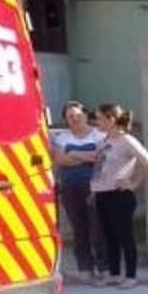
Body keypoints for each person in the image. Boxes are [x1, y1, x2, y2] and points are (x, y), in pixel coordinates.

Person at [89, 105, 148, 289]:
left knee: (124, 236)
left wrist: (134, 183)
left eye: (100, 118)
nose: (97, 122)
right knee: (109, 236)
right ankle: (114, 273)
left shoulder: (127, 140)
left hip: (119, 195)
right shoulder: (105, 140)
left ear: (111, 119)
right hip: (102, 193)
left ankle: (131, 275)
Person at [50, 101, 105, 281]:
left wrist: (73, 154)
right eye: (70, 116)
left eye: (77, 115)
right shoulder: (61, 137)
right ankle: (84, 268)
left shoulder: (99, 135)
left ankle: (103, 267)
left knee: (98, 227)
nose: (74, 119)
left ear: (86, 115)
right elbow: (59, 160)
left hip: (95, 186)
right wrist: (85, 157)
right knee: (79, 229)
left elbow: (99, 157)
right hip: (70, 187)